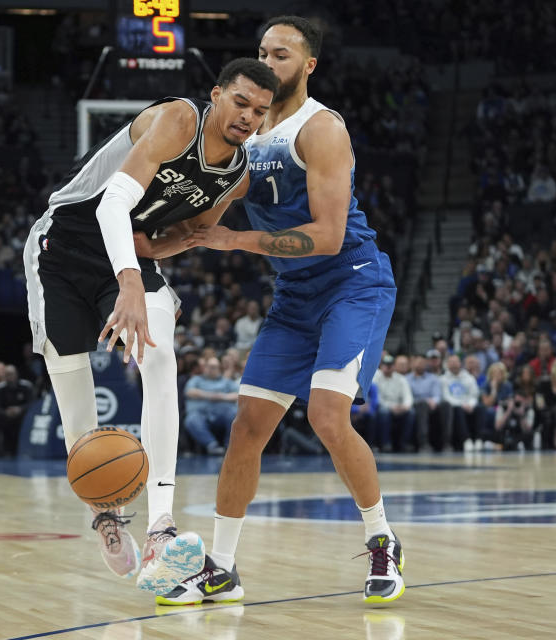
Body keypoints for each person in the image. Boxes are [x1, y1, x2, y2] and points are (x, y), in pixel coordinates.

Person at [167, 17, 404, 605]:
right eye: (261, 53)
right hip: (295, 297)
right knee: (246, 427)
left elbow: (325, 236)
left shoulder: (321, 128)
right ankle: (221, 567)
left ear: (308, 65)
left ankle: (382, 541)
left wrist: (233, 241)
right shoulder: (246, 133)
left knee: (326, 415)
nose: (268, 62)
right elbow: (208, 218)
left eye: (281, 54)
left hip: (352, 281)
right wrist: (144, 244)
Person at [22, 58, 278, 593]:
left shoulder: (237, 176)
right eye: (240, 103)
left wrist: (155, 257)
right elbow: (113, 203)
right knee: (74, 390)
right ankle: (106, 514)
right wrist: (132, 281)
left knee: (160, 353)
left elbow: (187, 235)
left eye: (259, 110)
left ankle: (162, 524)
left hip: (129, 262)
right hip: (63, 246)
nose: (248, 117)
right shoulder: (178, 120)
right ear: (216, 95)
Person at [183, 357, 238, 455]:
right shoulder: (196, 380)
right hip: (200, 413)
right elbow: (189, 392)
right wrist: (209, 395)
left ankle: (229, 446)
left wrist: (222, 397)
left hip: (222, 412)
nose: (212, 369)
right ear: (205, 367)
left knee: (234, 414)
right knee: (191, 420)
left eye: (214, 367)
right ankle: (212, 445)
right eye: (210, 367)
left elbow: (238, 395)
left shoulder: (226, 382)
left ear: (219, 368)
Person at [371, 354, 414, 452]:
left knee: (411, 412)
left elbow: (408, 397)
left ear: (394, 366)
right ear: (381, 366)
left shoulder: (401, 379)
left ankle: (404, 443)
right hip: (384, 406)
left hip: (399, 407)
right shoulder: (375, 377)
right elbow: (377, 398)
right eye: (386, 365)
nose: (388, 367)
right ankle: (386, 443)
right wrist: (391, 407)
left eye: (390, 365)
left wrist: (405, 407)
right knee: (384, 412)